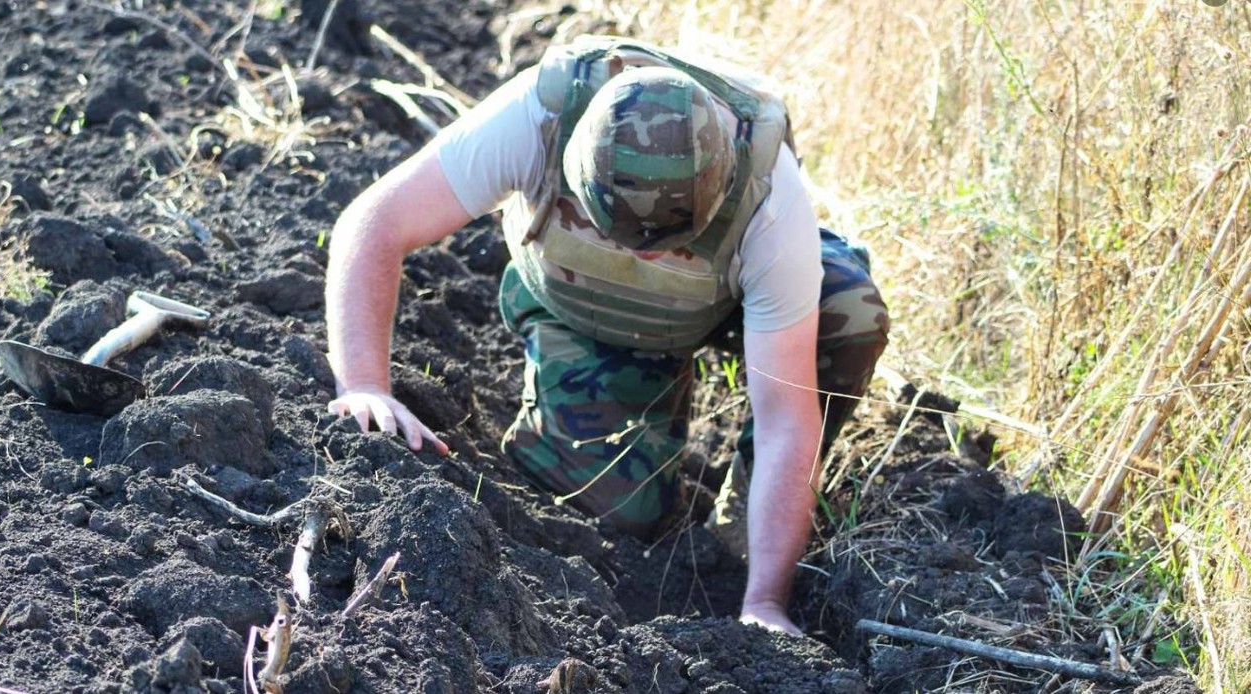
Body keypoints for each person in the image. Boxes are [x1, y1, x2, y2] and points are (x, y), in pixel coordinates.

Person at [323, 35, 889, 635]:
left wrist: (764, 603)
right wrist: (364, 384)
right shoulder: (539, 115)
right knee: (619, 513)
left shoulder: (771, 198)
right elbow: (377, 221)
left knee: (848, 314)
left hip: (721, 302)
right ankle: (637, 389)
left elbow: (787, 418)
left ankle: (745, 527)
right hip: (583, 310)